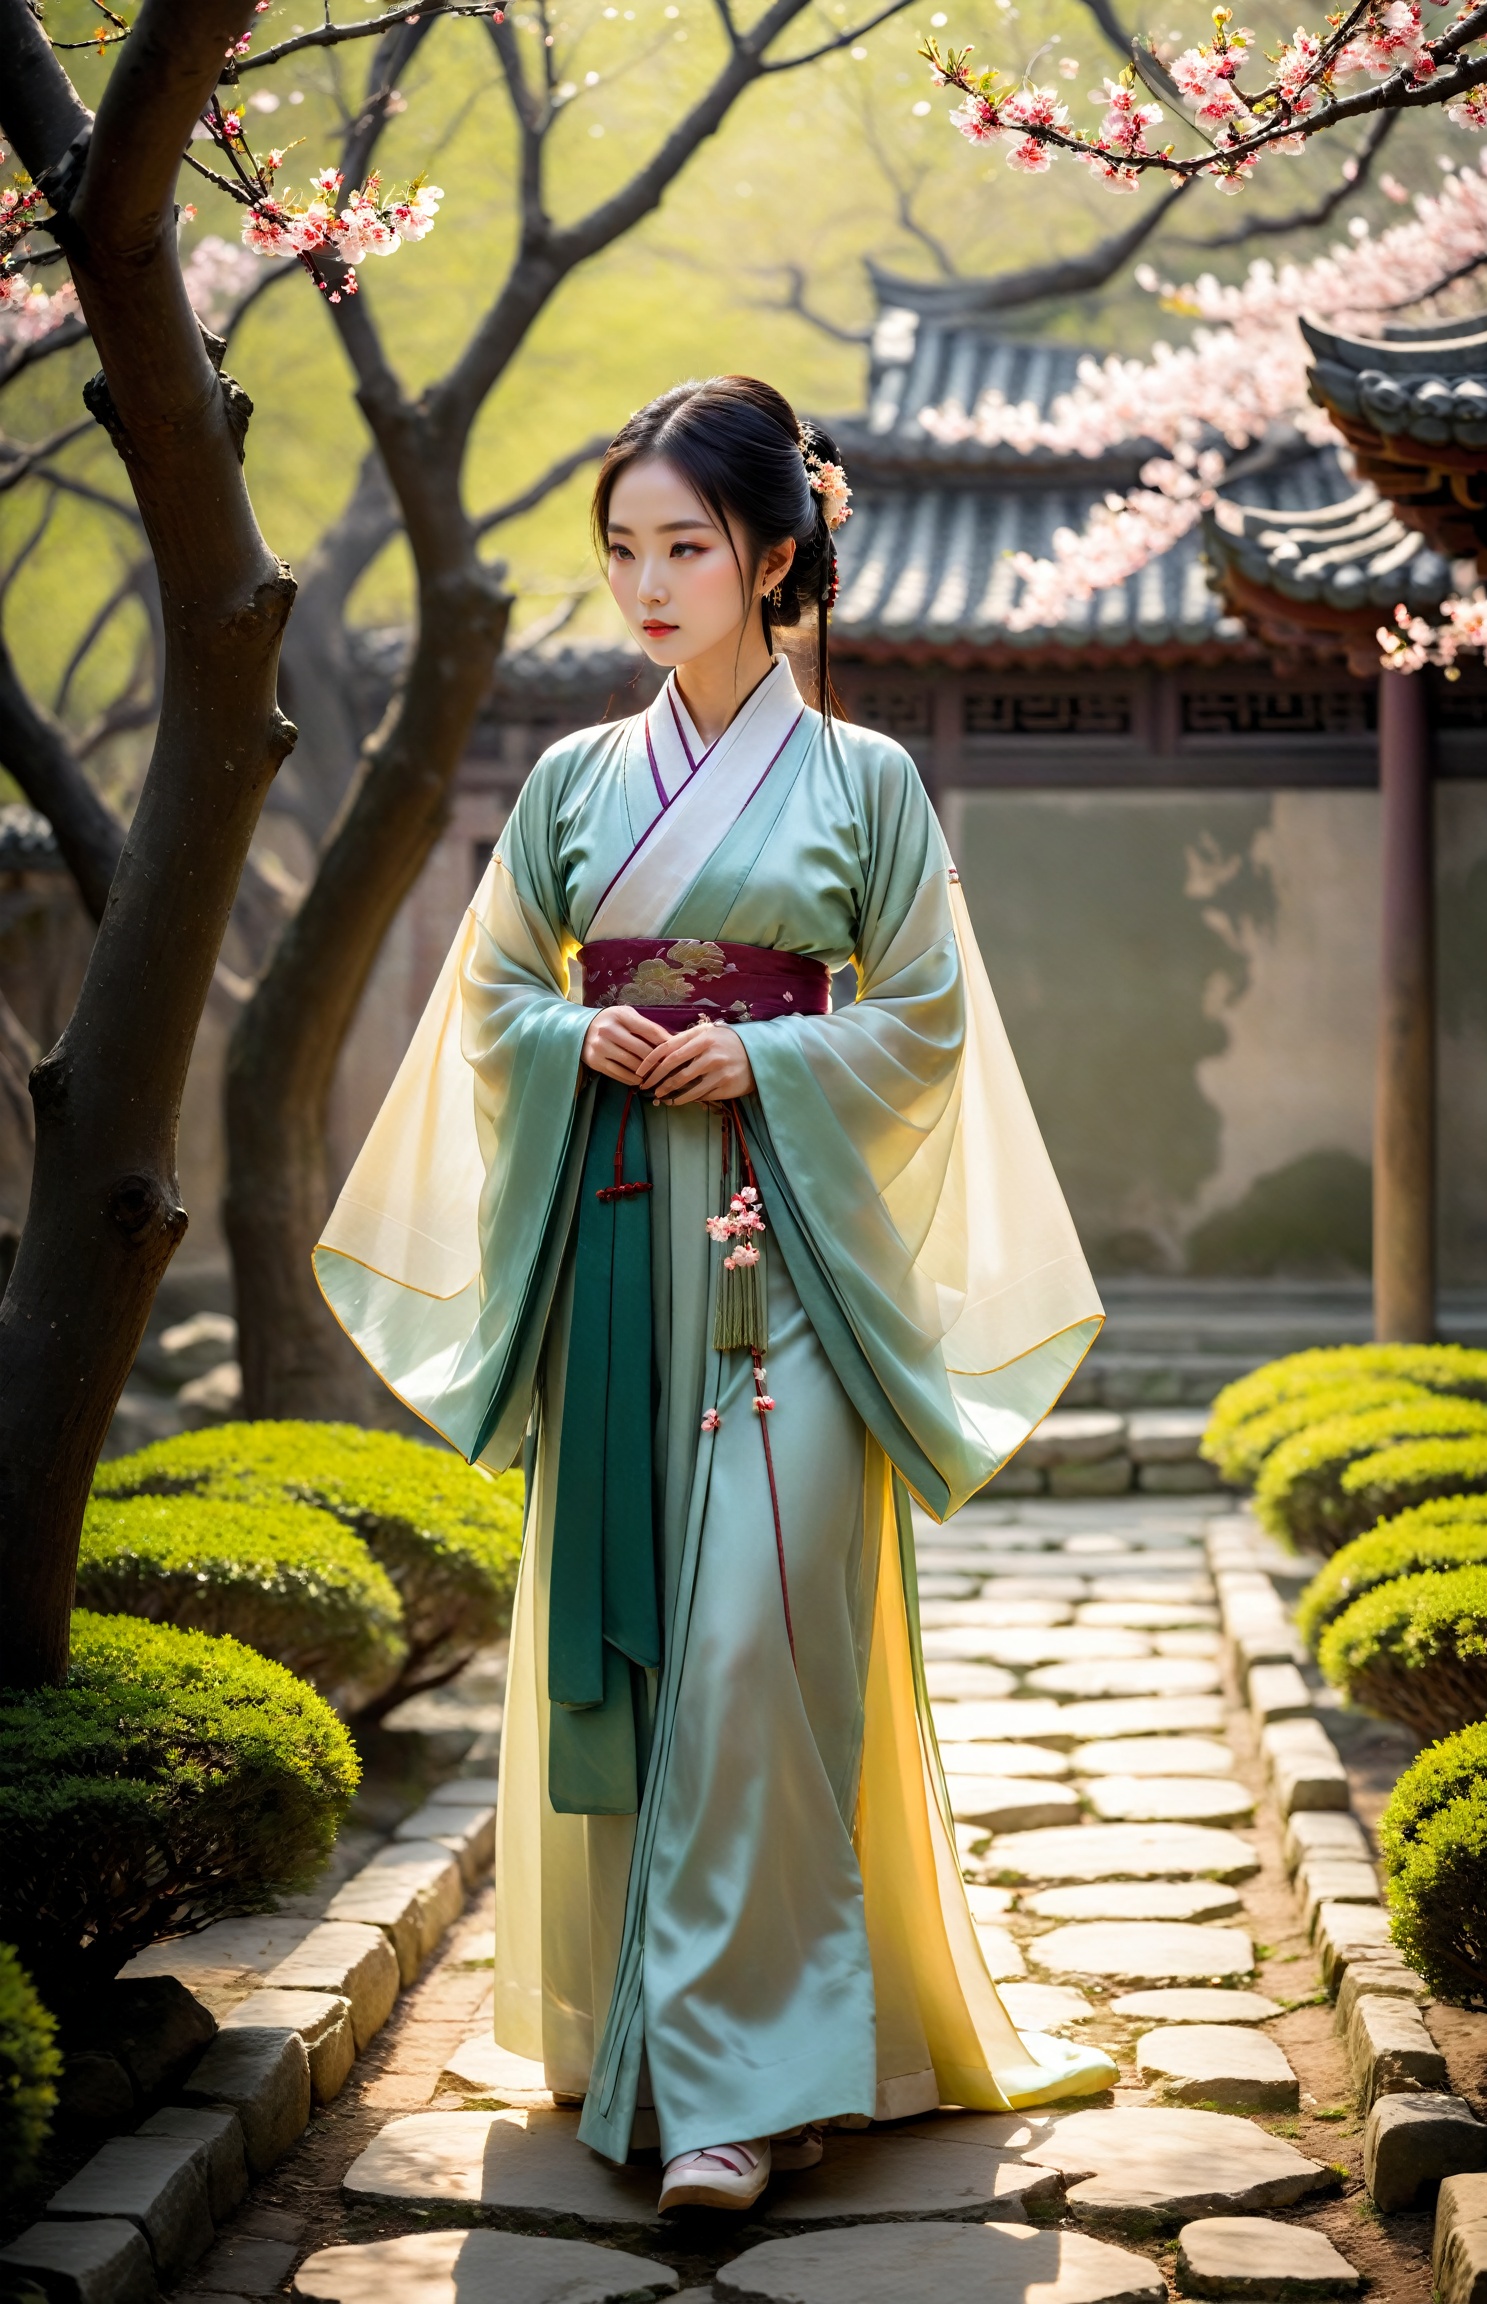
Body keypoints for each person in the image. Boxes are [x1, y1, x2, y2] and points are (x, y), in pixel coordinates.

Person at [315, 374, 1117, 2214]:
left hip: (791, 1267)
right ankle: (653, 2037)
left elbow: (928, 1022)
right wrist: (577, 1027)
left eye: (687, 546)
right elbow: (488, 1003)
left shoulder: (872, 785)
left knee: (762, 1640)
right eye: (623, 551)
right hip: (613, 1243)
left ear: (773, 555)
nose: (650, 582)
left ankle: (750, 2086)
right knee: (647, 1641)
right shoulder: (578, 785)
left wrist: (765, 1062)